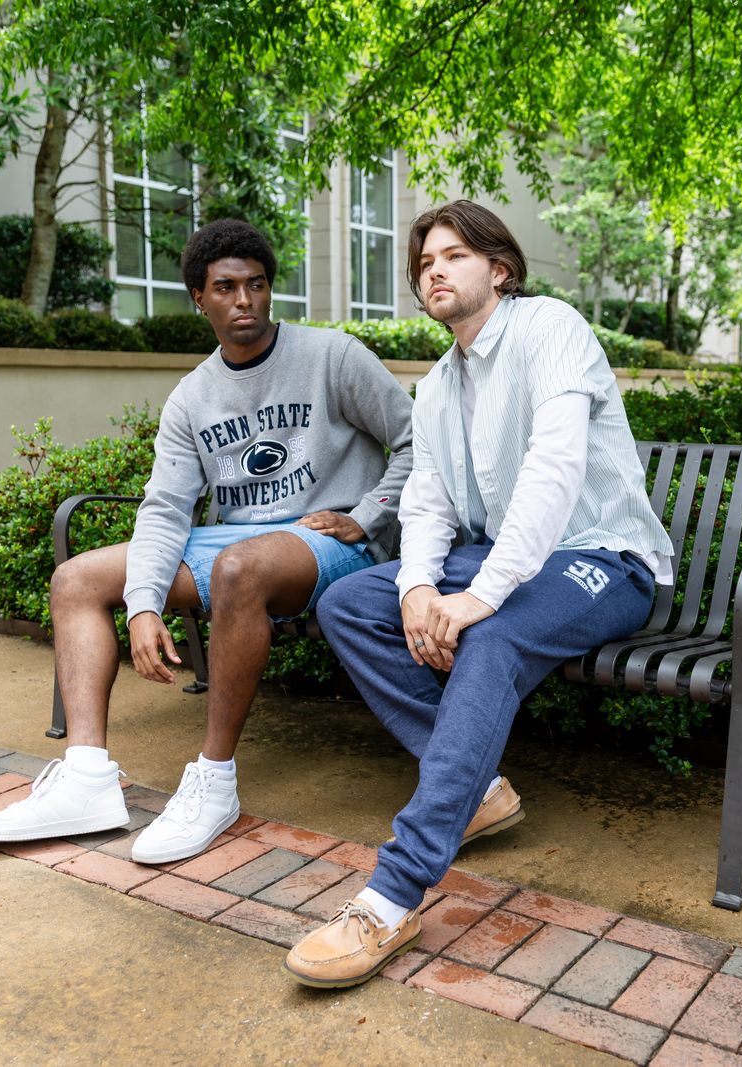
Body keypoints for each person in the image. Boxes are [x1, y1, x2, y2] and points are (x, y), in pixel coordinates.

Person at [284, 201, 674, 988]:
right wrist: (419, 588)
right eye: (425, 260)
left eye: (455, 255)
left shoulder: (549, 330)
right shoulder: (435, 385)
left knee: (491, 638)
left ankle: (392, 894)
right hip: (506, 559)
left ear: (498, 269)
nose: (435, 269)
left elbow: (554, 470)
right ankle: (479, 789)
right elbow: (426, 500)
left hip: (606, 559)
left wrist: (481, 596)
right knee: (349, 604)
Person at [0, 218, 414, 864]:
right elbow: (166, 508)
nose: (245, 301)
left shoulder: (332, 357)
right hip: (236, 545)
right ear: (198, 298)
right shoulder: (192, 398)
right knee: (76, 580)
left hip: (331, 543)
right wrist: (143, 603)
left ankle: (213, 781)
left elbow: (418, 439)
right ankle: (87, 777)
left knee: (236, 567)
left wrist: (367, 515)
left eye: (257, 285)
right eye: (226, 288)